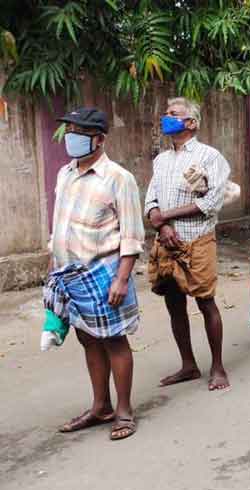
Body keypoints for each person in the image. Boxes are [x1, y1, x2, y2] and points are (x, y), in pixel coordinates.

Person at [50, 107, 144, 441]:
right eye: (69, 130)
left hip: (104, 272)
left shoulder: (119, 178)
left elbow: (132, 234)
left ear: (100, 139)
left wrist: (121, 278)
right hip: (70, 274)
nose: (70, 137)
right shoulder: (66, 174)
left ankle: (124, 411)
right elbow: (60, 225)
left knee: (114, 341)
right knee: (87, 338)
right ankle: (100, 406)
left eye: (78, 131)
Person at [145, 97, 231, 391]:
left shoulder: (210, 157)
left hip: (197, 239)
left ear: (191, 123)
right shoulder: (161, 160)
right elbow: (150, 200)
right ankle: (188, 365)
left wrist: (165, 217)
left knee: (206, 302)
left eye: (173, 114)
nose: (165, 117)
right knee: (174, 305)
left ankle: (217, 367)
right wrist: (163, 225)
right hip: (166, 241)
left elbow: (211, 201)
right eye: (166, 113)